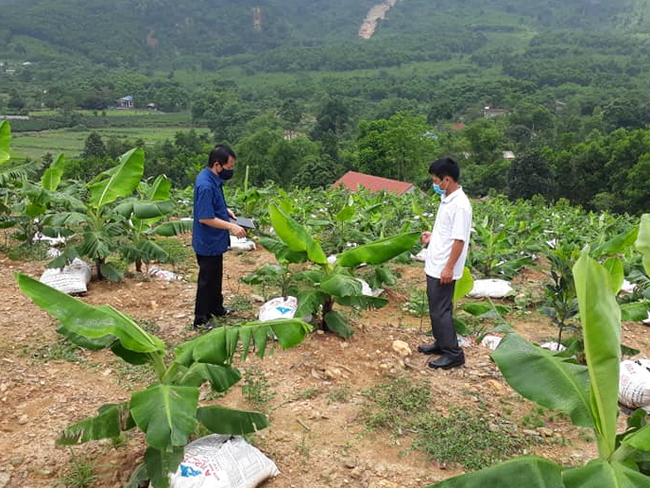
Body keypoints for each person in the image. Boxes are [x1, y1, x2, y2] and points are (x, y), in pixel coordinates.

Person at [417, 157, 472, 369]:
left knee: (440, 310)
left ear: (446, 180)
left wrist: (449, 267)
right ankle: (441, 343)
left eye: (435, 180)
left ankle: (453, 353)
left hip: (444, 267)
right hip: (436, 262)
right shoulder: (448, 199)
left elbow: (459, 240)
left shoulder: (460, 205)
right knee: (437, 307)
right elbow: (449, 233)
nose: (434, 184)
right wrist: (433, 237)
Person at [192, 144, 247, 329]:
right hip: (207, 241)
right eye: (229, 167)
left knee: (216, 277)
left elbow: (213, 207)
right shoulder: (206, 185)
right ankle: (201, 319)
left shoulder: (212, 178)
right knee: (207, 281)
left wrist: (226, 211)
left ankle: (217, 308)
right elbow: (205, 218)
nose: (230, 171)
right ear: (217, 165)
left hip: (215, 240)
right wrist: (231, 226)